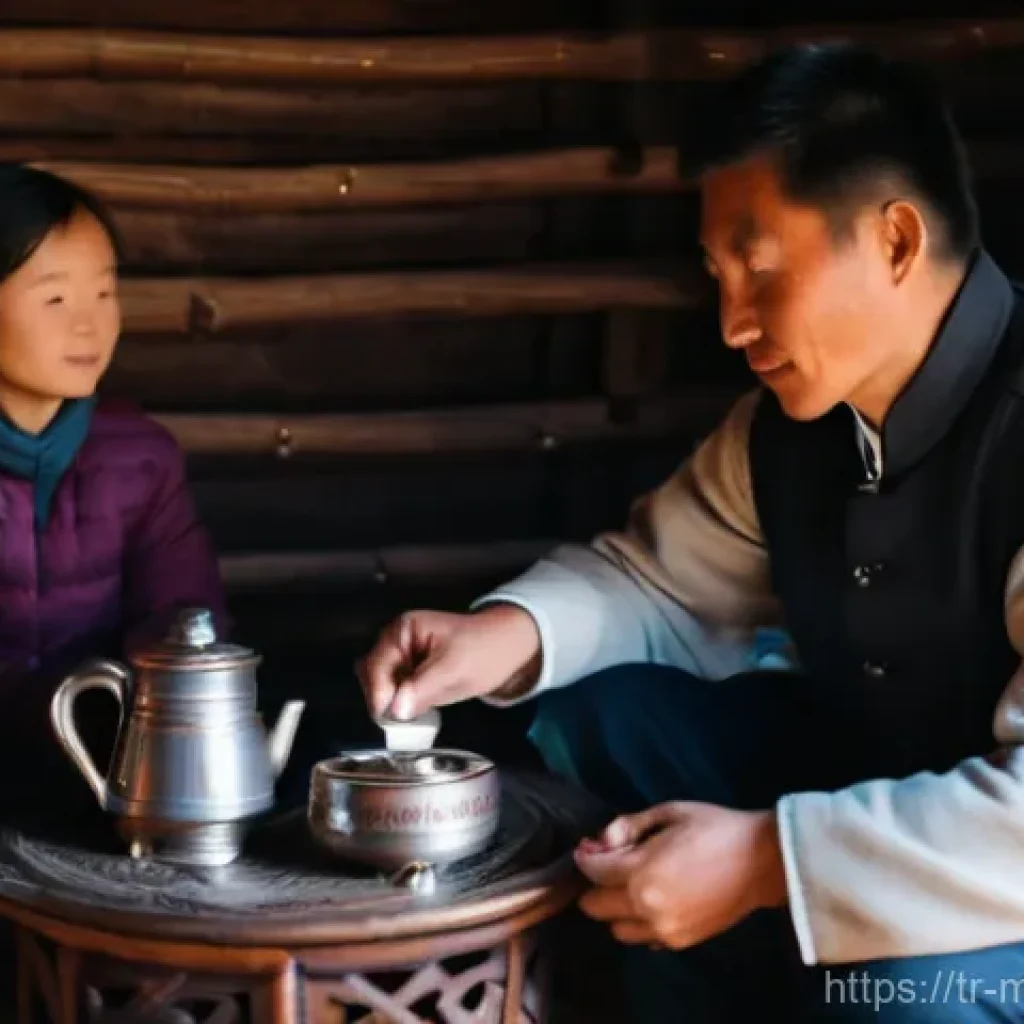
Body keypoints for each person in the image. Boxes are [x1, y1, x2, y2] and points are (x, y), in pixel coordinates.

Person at [359, 42, 1024, 1022]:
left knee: (894, 991)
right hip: (865, 805)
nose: (730, 323)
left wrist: (765, 860)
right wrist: (505, 637)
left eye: (757, 269)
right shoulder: (791, 433)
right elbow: (660, 580)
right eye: (716, 275)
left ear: (892, 242)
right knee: (604, 711)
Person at [0, 164, 226, 818]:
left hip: (97, 775)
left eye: (104, 293)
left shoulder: (140, 456)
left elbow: (184, 621)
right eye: (55, 299)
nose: (90, 324)